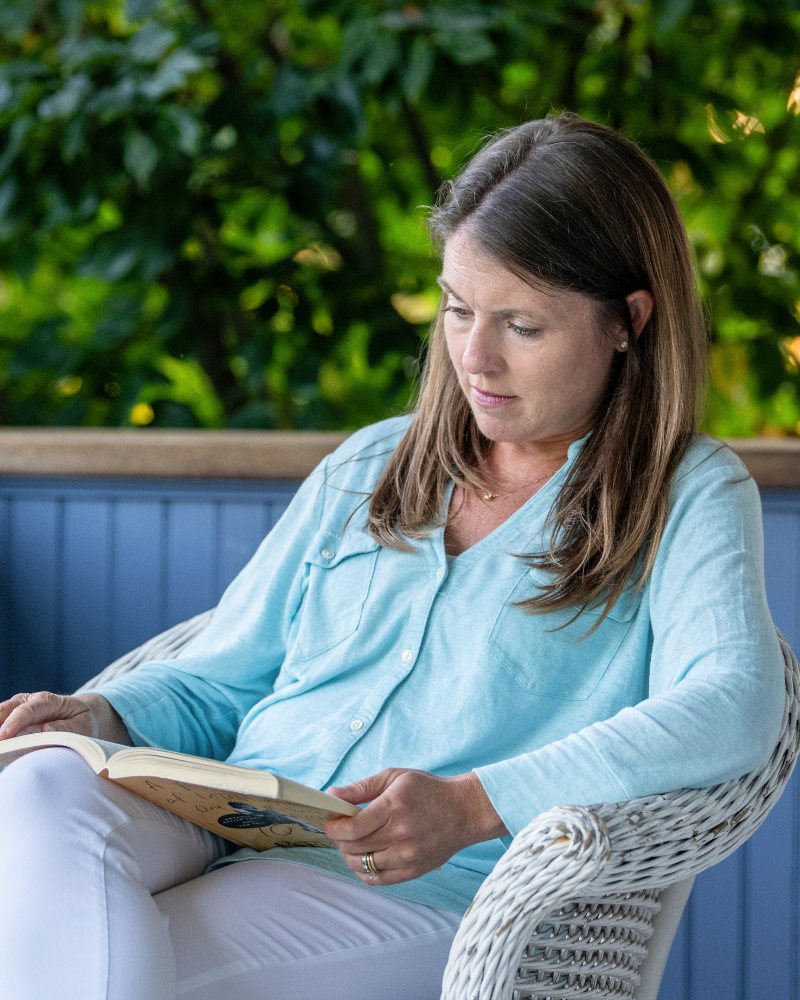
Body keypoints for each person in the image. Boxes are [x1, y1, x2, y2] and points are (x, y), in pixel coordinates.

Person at [0, 112, 785, 1000]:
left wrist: (473, 803)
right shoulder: (372, 462)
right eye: (457, 309)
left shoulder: (687, 493)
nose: (474, 357)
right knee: (37, 796)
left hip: (414, 886)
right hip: (232, 813)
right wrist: (99, 714)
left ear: (627, 321)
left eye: (522, 326)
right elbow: (222, 679)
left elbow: (733, 705)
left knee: (98, 960)